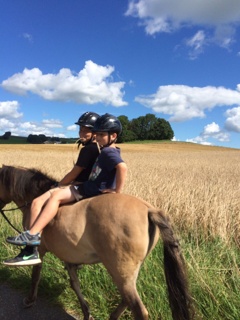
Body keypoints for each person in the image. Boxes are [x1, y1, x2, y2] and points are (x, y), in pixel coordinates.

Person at [5, 113, 127, 266]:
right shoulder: (101, 149)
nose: (82, 134)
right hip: (88, 186)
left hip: (83, 187)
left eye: (87, 131)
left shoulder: (96, 150)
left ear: (112, 135)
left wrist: (58, 185)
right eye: (80, 130)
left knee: (42, 201)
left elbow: (78, 172)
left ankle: (31, 242)